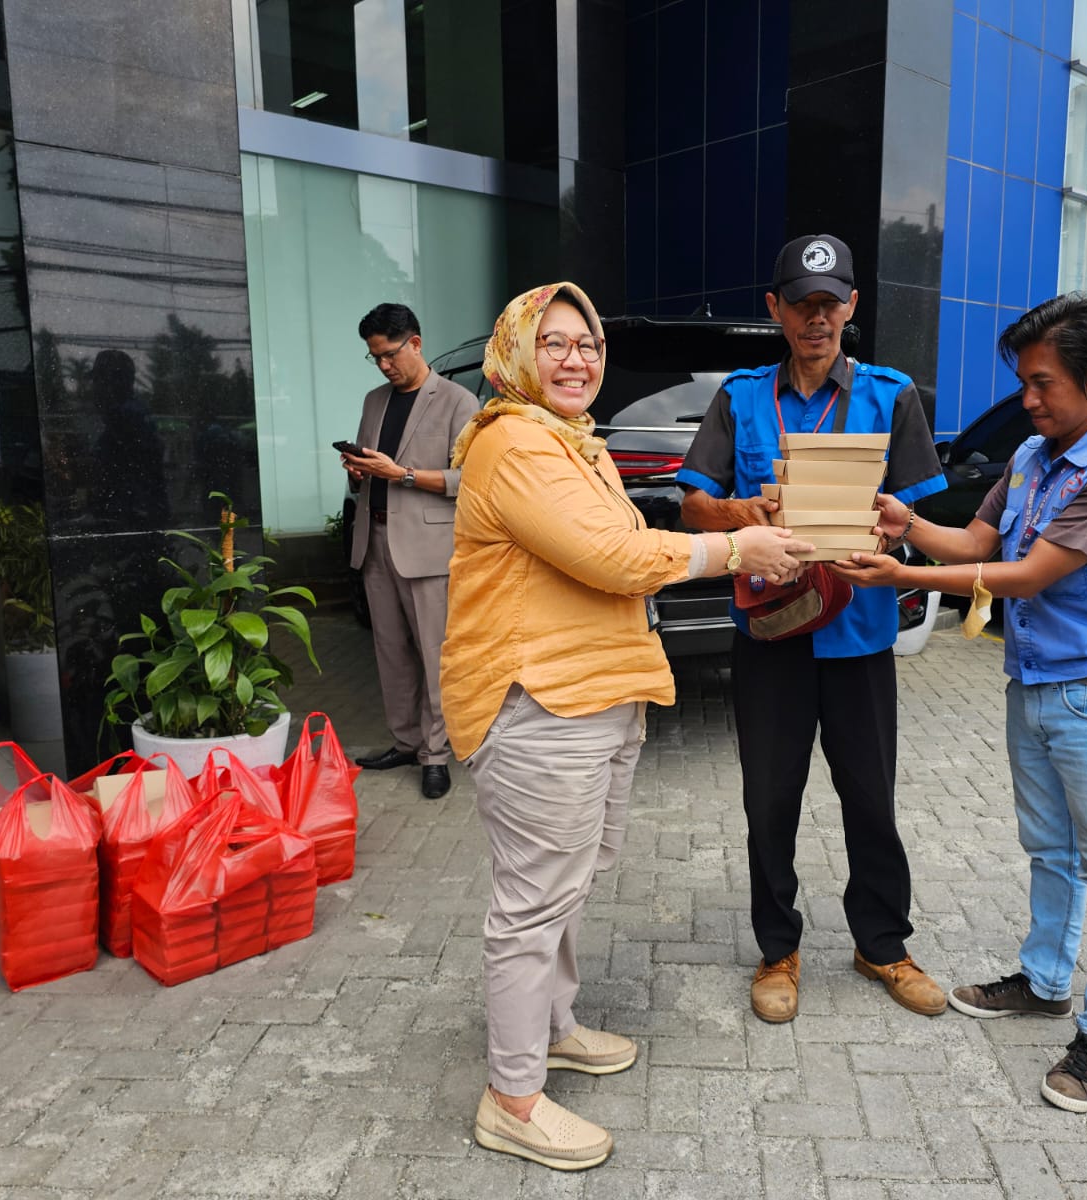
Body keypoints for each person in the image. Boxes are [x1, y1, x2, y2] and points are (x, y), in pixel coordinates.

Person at [441, 282, 812, 1171]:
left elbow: (624, 546)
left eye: (588, 345)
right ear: (519, 353)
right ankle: (513, 1098)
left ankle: (554, 1027)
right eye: (557, 344)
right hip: (537, 701)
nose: (578, 361)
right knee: (533, 903)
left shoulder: (578, 445)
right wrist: (735, 549)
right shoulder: (517, 442)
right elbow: (612, 557)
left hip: (593, 694)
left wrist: (735, 523)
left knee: (565, 886)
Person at [830, 292, 1087, 1113]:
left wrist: (904, 577)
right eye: (1023, 381)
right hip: (1033, 688)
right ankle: (1046, 982)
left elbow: (1026, 575)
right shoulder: (1032, 455)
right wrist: (907, 522)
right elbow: (980, 545)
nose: (1027, 398)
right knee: (1049, 850)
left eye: (1042, 382)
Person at [675, 234, 950, 1025]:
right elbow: (694, 505)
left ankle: (883, 945)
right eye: (801, 303)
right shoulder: (741, 397)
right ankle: (777, 949)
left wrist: (896, 534)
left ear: (852, 307)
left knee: (870, 798)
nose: (816, 317)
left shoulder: (891, 397)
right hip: (771, 636)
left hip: (859, 633)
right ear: (776, 310)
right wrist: (741, 511)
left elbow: (917, 512)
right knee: (771, 799)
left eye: (831, 303)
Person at [342, 303, 479, 800]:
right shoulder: (374, 400)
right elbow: (371, 464)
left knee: (435, 655)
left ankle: (436, 755)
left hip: (427, 547)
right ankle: (405, 741)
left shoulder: (459, 402)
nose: (383, 365)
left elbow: (473, 480)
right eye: (374, 357)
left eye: (389, 354)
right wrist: (358, 470)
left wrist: (399, 474)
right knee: (391, 653)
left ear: (416, 344)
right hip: (375, 539)